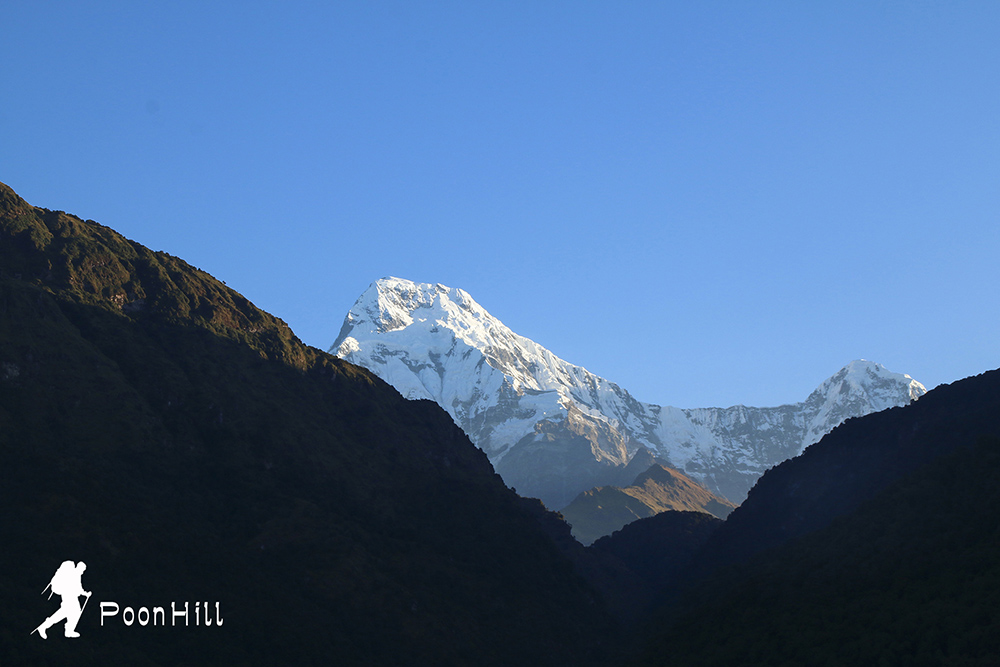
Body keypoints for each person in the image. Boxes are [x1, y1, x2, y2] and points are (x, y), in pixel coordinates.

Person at [35, 561, 91, 639]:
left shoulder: (75, 574)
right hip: (70, 597)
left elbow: (78, 588)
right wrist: (85, 594)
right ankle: (67, 631)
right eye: (83, 570)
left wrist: (85, 593)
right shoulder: (75, 574)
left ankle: (47, 627)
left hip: (69, 597)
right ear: (80, 568)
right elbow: (78, 588)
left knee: (67, 613)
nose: (83, 572)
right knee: (71, 613)